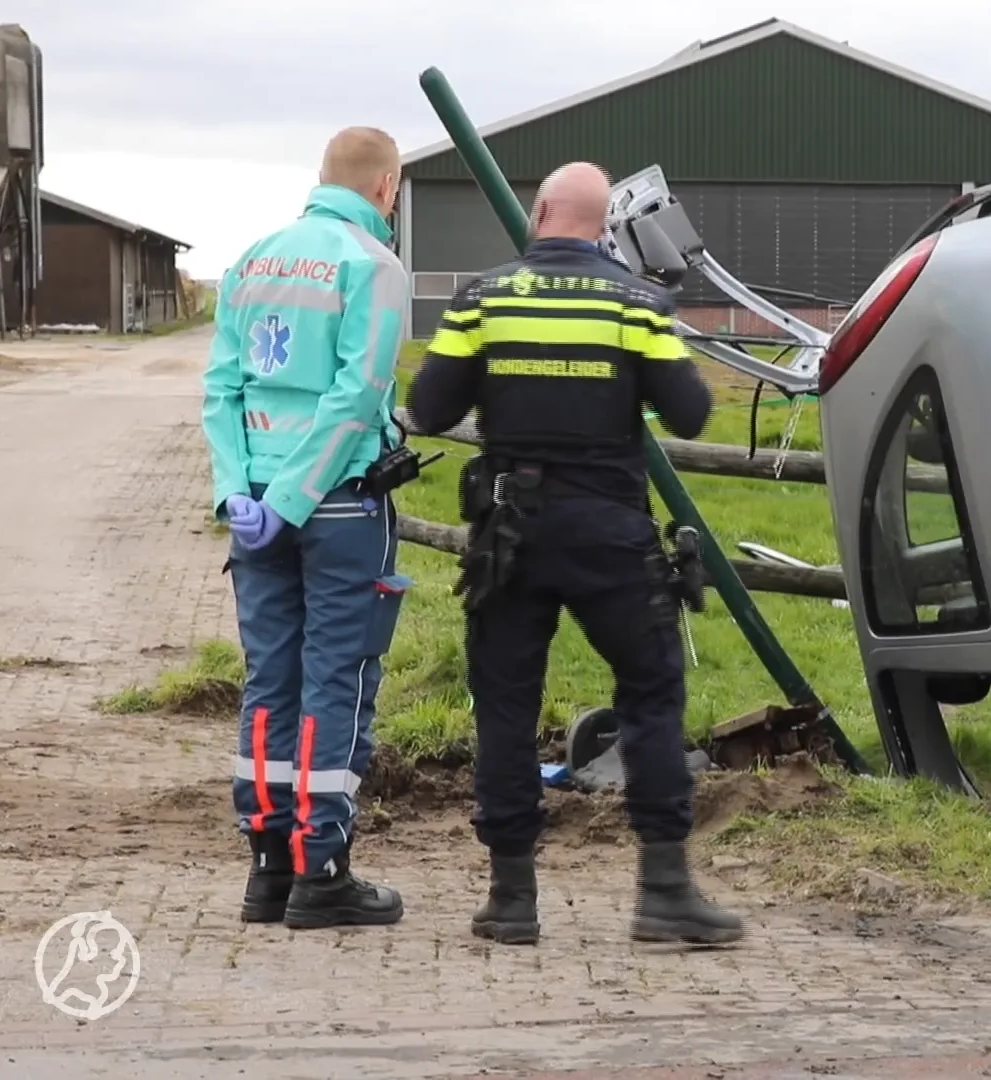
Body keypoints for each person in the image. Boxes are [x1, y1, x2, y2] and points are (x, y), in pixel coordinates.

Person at [405, 161, 742, 947]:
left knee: (506, 708)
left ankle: (511, 900)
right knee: (651, 697)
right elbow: (690, 415)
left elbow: (428, 409)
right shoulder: (636, 304)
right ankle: (664, 893)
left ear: (543, 210)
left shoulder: (483, 300)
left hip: (510, 535)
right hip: (611, 534)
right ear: (602, 225)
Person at [202, 126, 413, 929]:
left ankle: (267, 868)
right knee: (337, 679)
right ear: (386, 188)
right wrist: (293, 498)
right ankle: (321, 870)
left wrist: (239, 495)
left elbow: (220, 388)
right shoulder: (373, 266)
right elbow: (358, 395)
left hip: (254, 515)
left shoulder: (252, 260)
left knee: (269, 682)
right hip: (337, 508)